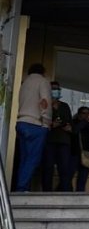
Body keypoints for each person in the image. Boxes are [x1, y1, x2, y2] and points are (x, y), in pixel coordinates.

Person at [14, 63, 52, 192]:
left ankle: (22, 187)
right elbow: (45, 102)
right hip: (35, 124)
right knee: (32, 159)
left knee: (24, 158)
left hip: (21, 122)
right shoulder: (43, 82)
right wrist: (47, 121)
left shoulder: (24, 83)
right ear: (43, 72)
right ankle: (22, 188)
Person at [41, 80, 74, 192]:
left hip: (64, 141)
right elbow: (39, 120)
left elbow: (70, 122)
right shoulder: (44, 104)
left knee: (64, 168)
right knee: (48, 167)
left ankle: (65, 192)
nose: (56, 91)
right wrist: (51, 124)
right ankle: (46, 193)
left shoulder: (64, 106)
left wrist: (69, 127)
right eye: (53, 88)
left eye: (57, 89)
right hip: (49, 140)